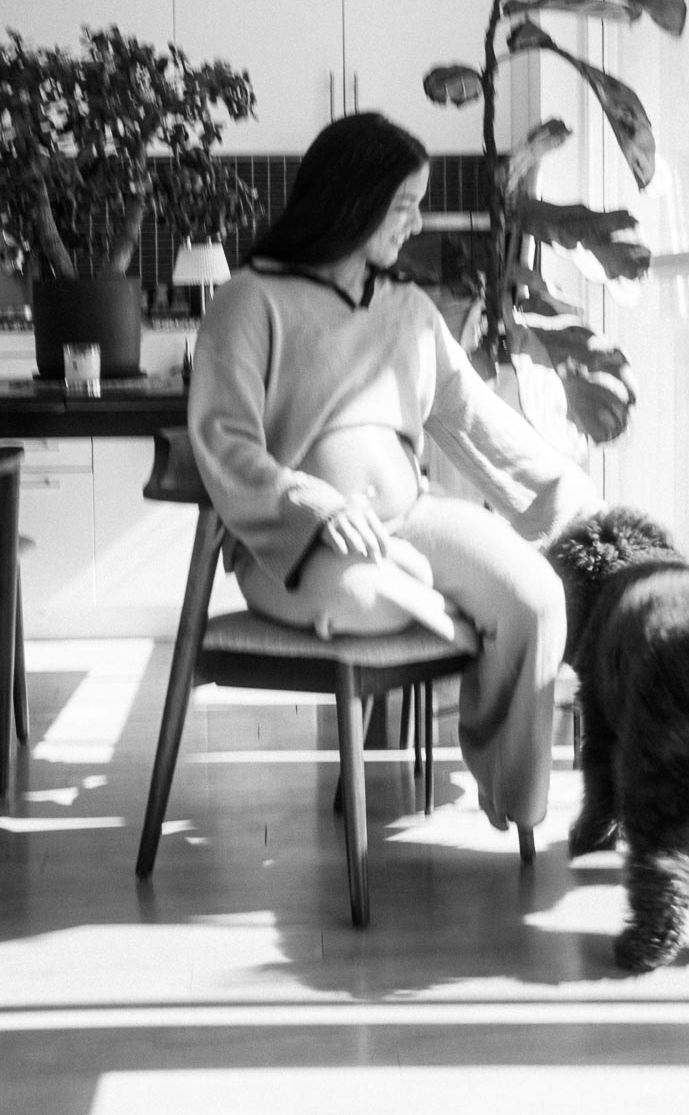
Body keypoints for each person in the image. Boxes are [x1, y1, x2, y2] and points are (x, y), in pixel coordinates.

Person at [188, 112, 600, 840]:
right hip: (297, 547)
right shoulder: (248, 300)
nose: (416, 222)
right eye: (403, 204)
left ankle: (518, 800)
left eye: (418, 203)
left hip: (413, 522)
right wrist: (313, 502)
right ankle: (456, 604)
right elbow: (223, 441)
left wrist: (567, 495)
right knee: (368, 599)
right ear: (351, 201)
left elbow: (470, 417)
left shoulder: (407, 307)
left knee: (535, 599)